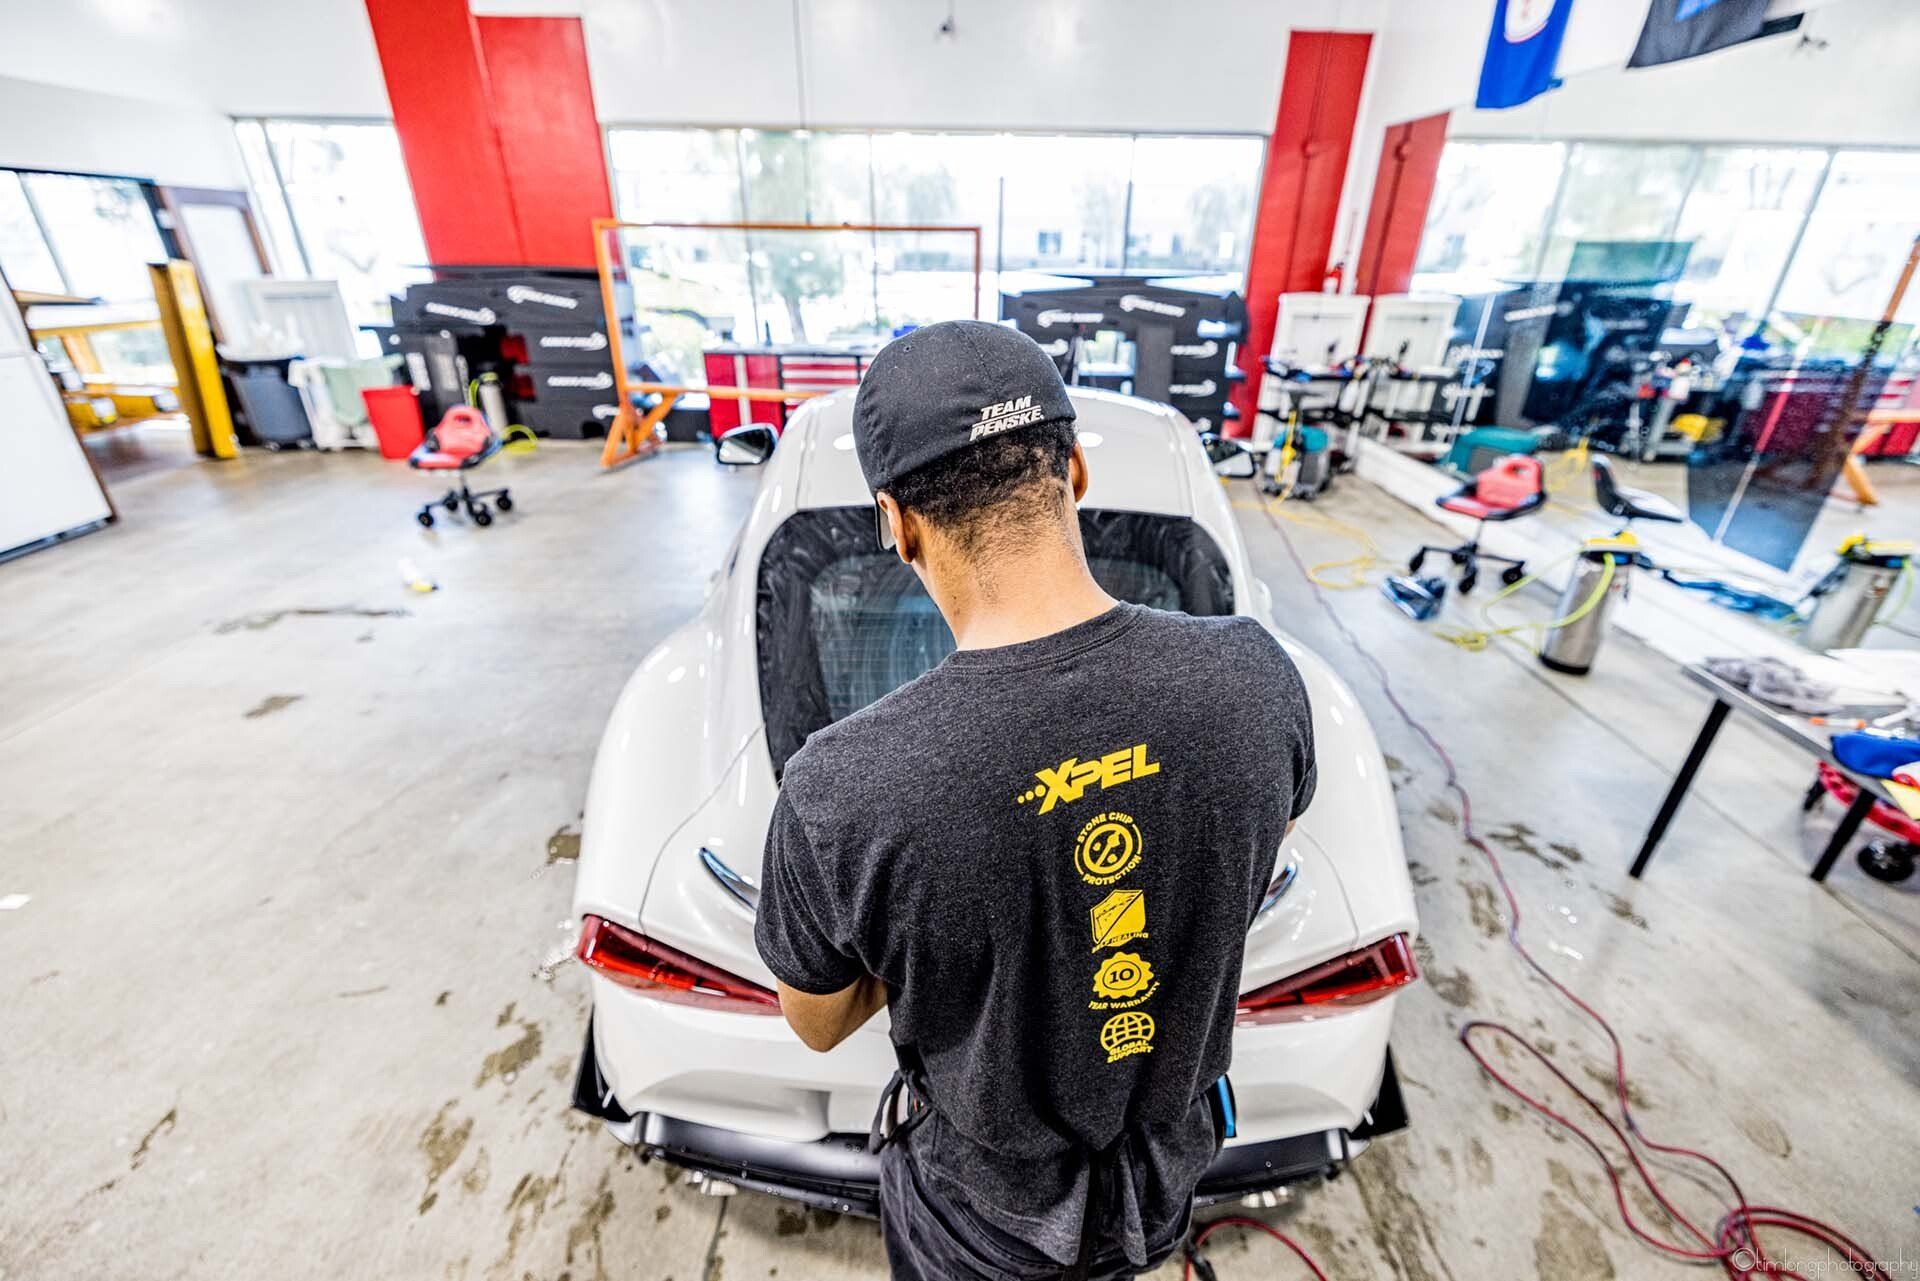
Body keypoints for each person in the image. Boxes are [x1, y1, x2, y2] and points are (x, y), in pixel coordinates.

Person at [754, 320, 1317, 1280]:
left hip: (986, 1222)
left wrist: (948, 922)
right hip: (1164, 1178)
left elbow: (813, 1022)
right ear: (1074, 473)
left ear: (898, 524)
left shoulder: (840, 789)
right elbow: (1240, 847)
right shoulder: (1259, 679)